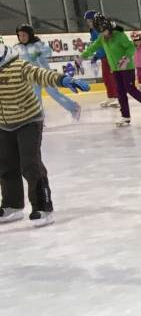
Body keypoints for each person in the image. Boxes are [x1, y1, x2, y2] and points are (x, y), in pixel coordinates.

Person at [0, 36, 90, 228]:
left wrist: (63, 79)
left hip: (29, 120)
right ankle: (12, 205)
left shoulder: (18, 66)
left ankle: (43, 206)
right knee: (6, 164)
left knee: (30, 163)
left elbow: (42, 75)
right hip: (3, 124)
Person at [82, 16, 141, 127]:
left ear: (109, 28)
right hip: (115, 69)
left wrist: (126, 58)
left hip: (127, 67)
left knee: (130, 89)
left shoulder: (119, 35)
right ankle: (125, 117)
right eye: (101, 32)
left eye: (105, 31)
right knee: (120, 92)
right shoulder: (102, 38)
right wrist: (82, 57)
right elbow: (93, 47)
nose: (104, 34)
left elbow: (131, 47)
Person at [14, 25, 80, 122]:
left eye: (24, 35)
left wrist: (39, 52)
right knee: (35, 98)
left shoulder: (37, 44)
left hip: (45, 75)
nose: (22, 37)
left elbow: (48, 52)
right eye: (19, 35)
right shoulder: (17, 48)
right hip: (31, 76)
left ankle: (74, 108)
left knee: (53, 93)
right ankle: (39, 119)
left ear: (30, 34)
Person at [84, 10, 118, 108]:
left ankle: (117, 97)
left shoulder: (101, 29)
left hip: (110, 56)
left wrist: (97, 55)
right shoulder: (94, 30)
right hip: (104, 57)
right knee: (107, 78)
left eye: (90, 21)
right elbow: (98, 45)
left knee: (112, 78)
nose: (88, 23)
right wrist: (97, 56)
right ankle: (111, 96)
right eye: (87, 21)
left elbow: (105, 44)